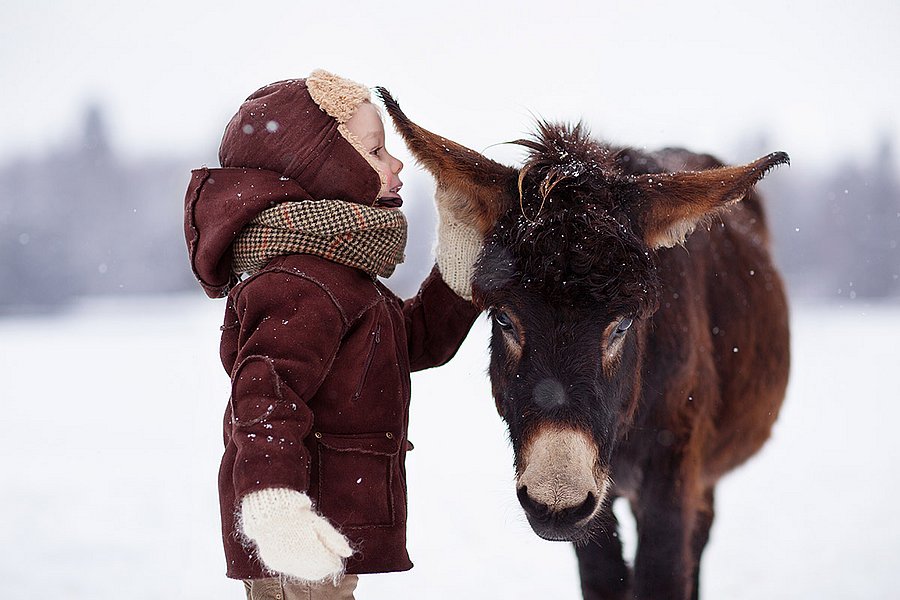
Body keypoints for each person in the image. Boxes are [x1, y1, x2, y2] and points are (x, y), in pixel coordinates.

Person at [183, 70, 482, 600]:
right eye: (374, 151)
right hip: (296, 540)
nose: (395, 164)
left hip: (324, 530)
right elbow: (265, 397)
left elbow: (412, 342)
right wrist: (277, 510)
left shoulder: (341, 275)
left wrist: (460, 255)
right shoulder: (300, 280)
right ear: (326, 170)